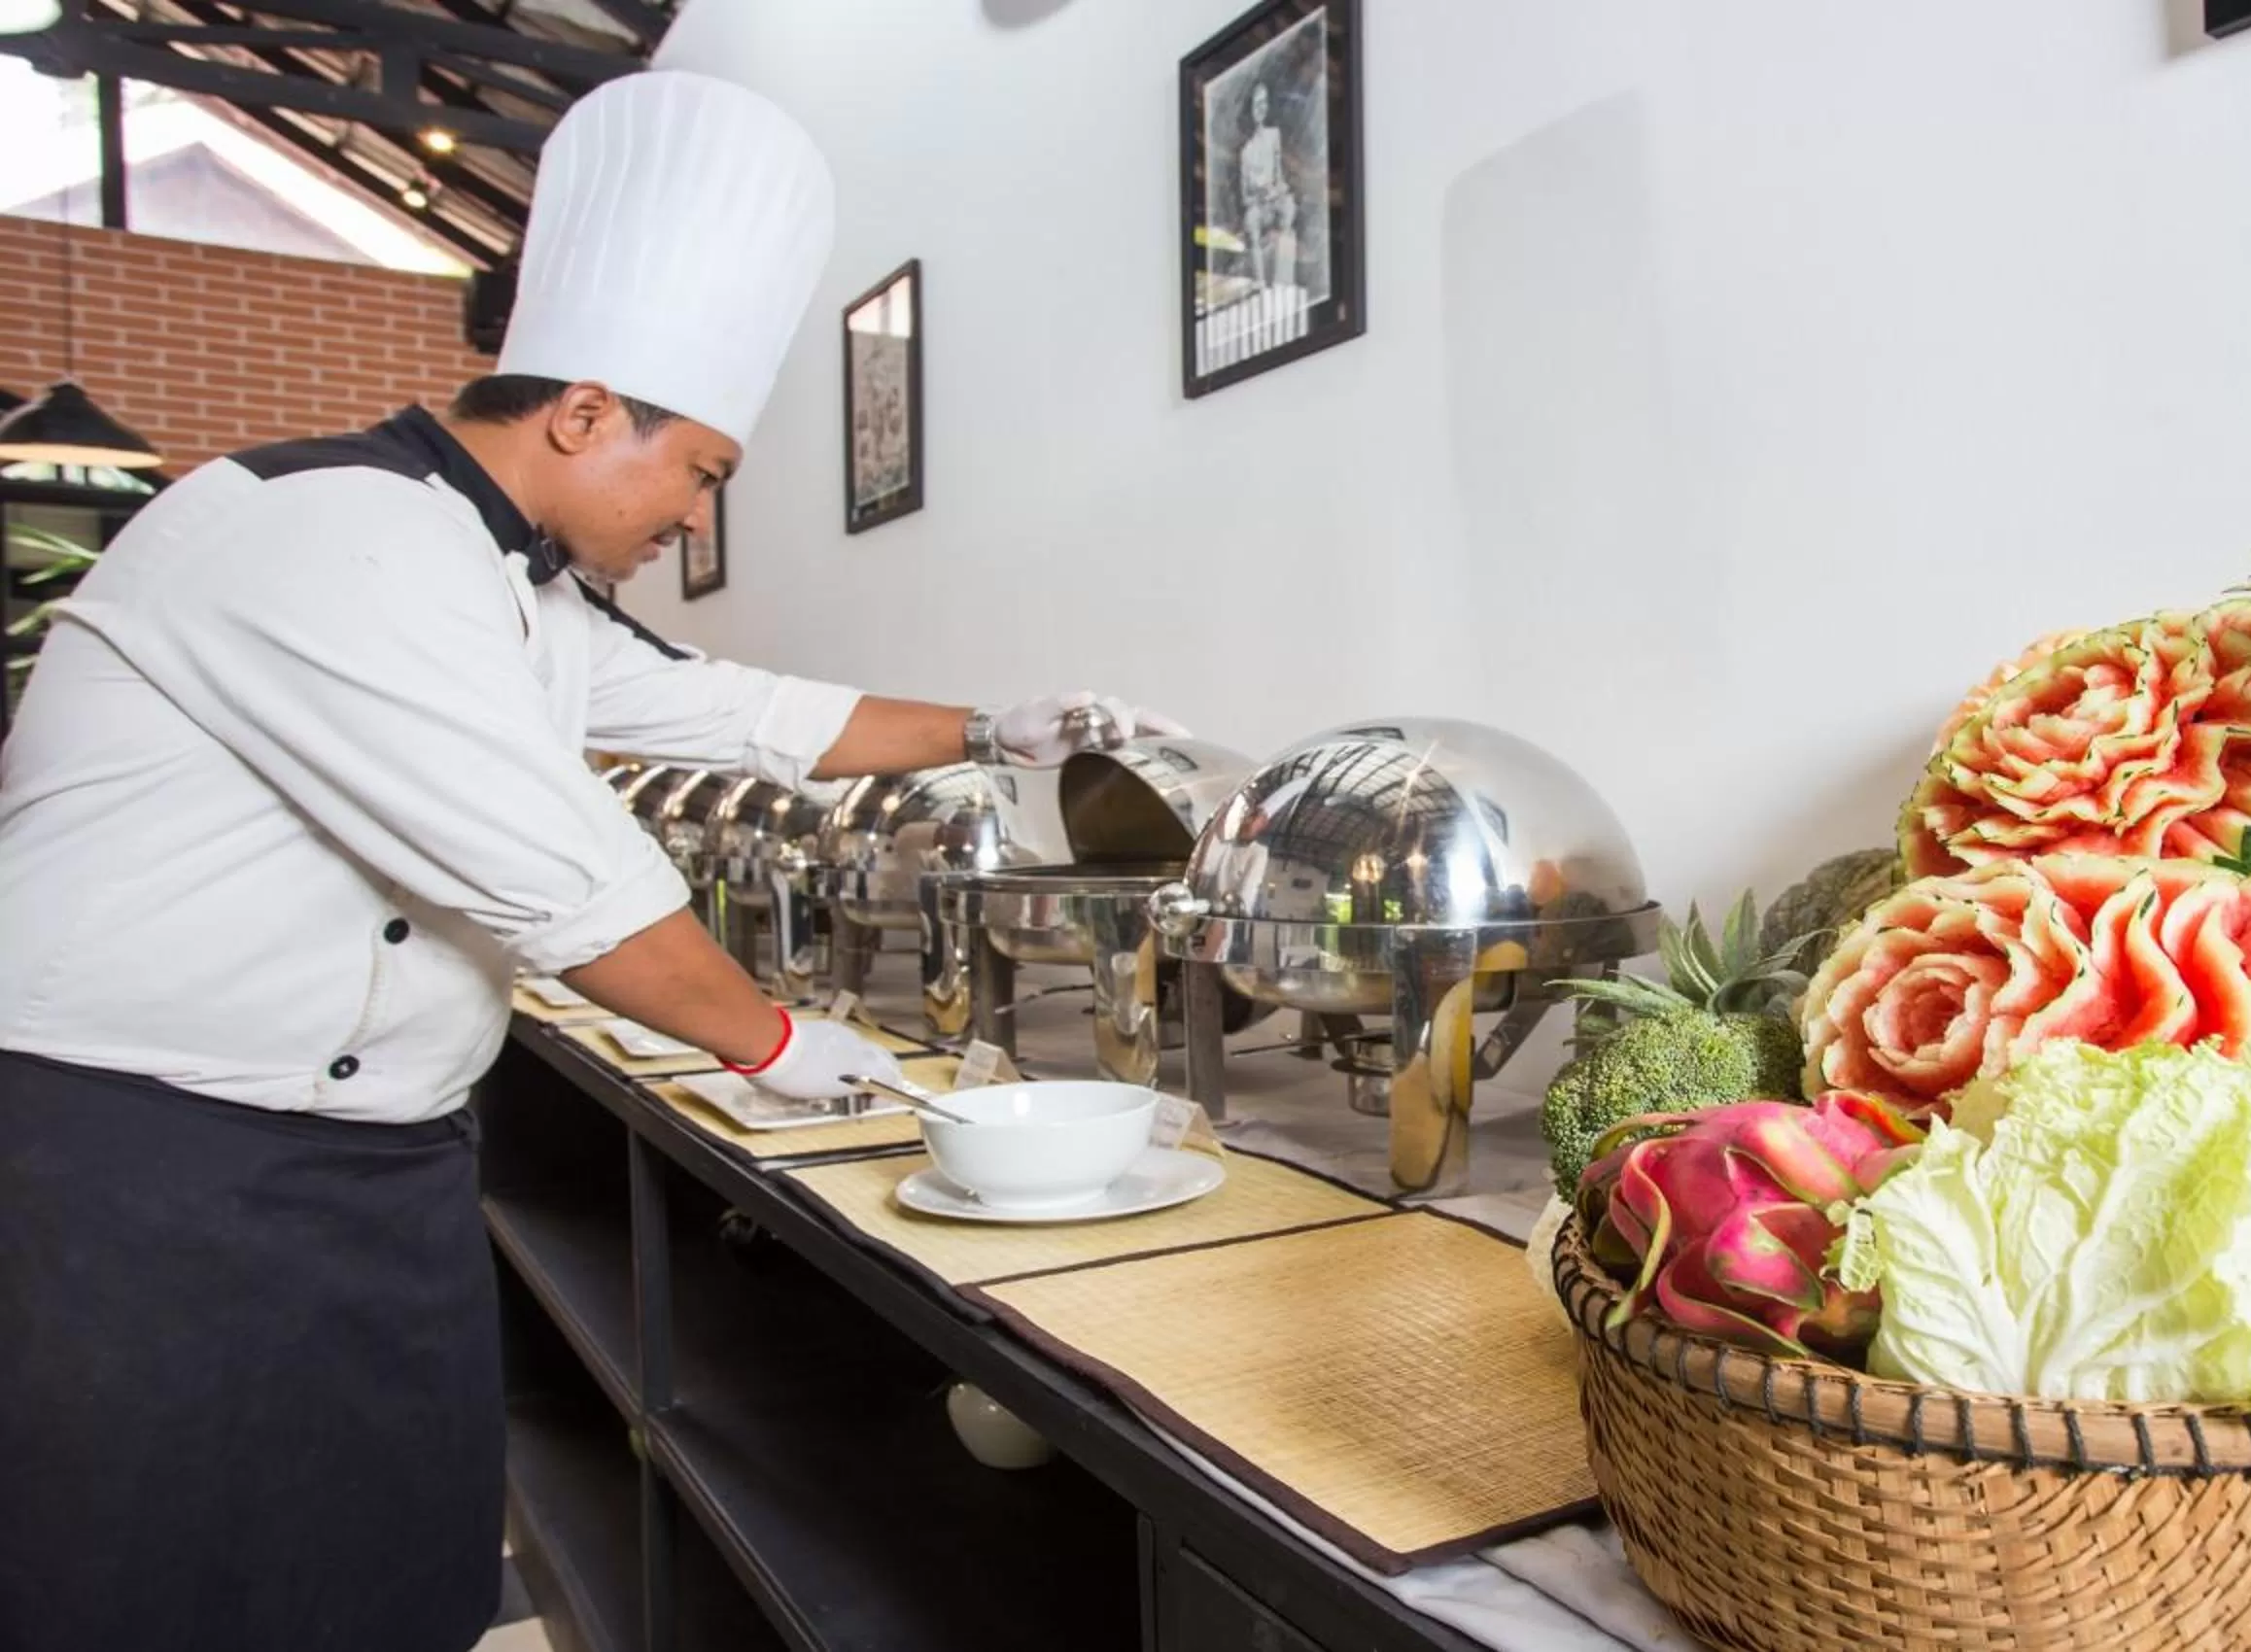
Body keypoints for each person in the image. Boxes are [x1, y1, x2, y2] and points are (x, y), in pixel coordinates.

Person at [0, 72, 1173, 1652]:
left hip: (377, 1162)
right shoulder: (325, 531)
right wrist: (770, 1041)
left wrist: (994, 727)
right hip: (140, 1169)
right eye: (698, 475)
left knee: (386, 1576)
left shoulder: (511, 584)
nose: (694, 525)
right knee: (142, 1593)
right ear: (581, 413)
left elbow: (739, 714)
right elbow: (565, 885)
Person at [1237, 80, 1299, 291]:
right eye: (1256, 104)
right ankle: (1260, 284)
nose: (1261, 107)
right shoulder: (1245, 152)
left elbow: (1280, 174)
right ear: (1250, 109)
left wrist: (1279, 189)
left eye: (1264, 102)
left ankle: (1283, 279)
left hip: (1275, 197)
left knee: (1289, 206)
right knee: (1251, 220)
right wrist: (1259, 196)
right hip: (1259, 204)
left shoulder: (1274, 135)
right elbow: (1244, 196)